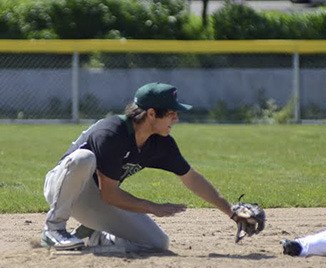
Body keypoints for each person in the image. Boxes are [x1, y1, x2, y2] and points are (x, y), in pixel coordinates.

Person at [42, 82, 237, 252]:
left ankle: (94, 236)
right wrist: (153, 207)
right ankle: (54, 229)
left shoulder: (161, 143)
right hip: (64, 189)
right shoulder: (111, 133)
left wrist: (231, 212)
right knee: (83, 158)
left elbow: (192, 178)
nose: (176, 119)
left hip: (95, 200)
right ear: (151, 114)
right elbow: (109, 194)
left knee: (157, 243)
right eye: (171, 113)